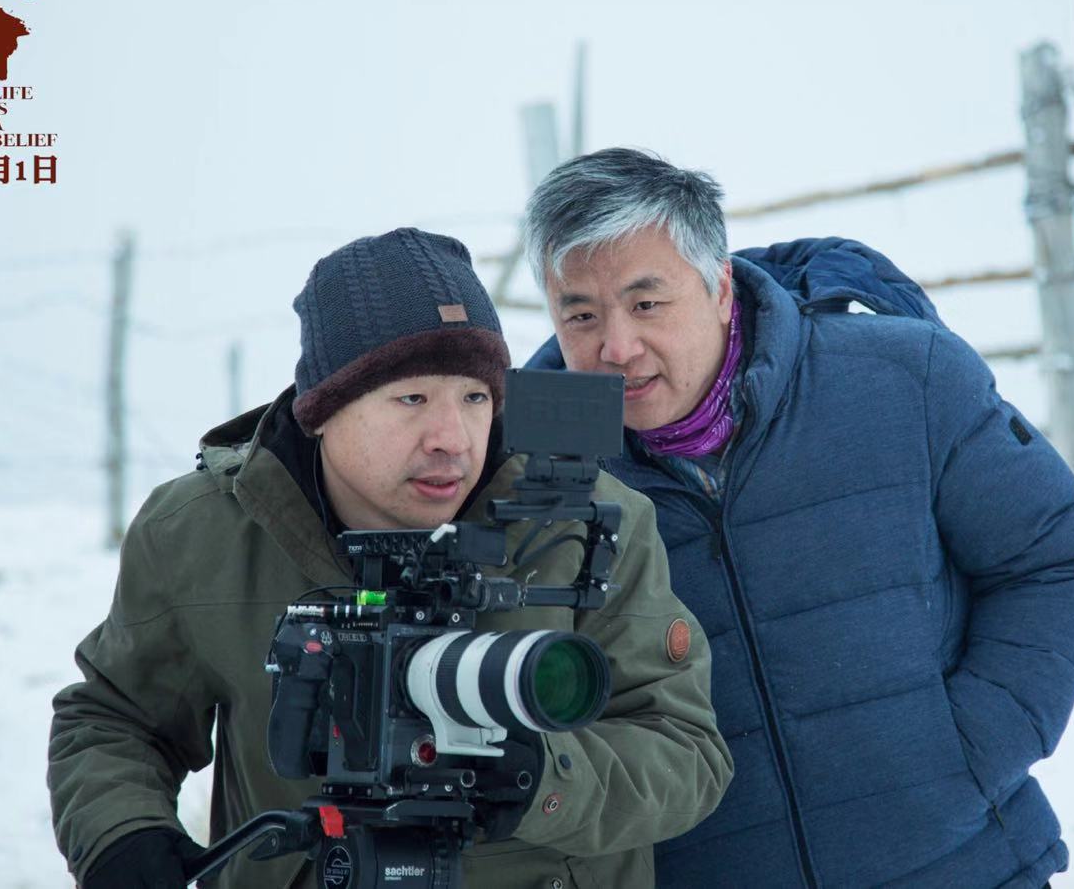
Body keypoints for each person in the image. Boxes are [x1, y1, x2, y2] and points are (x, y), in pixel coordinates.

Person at [49, 228, 732, 889]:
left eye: (475, 398)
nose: (451, 439)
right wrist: (120, 833)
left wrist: (545, 778)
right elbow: (115, 718)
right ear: (322, 409)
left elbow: (685, 750)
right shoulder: (203, 532)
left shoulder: (583, 527)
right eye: (411, 398)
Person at [523, 149, 1074, 888]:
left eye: (646, 304)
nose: (616, 347)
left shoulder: (902, 379)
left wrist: (967, 751)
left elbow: (1056, 559)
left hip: (962, 866)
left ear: (719, 288)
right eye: (580, 315)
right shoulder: (535, 473)